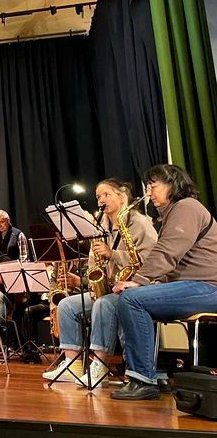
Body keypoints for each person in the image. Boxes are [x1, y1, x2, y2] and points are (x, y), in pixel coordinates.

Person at [111, 164, 217, 400]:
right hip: (195, 285)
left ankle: (142, 379)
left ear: (173, 184)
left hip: (209, 287)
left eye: (153, 186)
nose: (148, 192)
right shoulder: (173, 212)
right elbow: (174, 261)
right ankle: (156, 375)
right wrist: (153, 282)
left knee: (132, 299)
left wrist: (140, 281)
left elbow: (168, 252)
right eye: (147, 187)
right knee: (120, 300)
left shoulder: (186, 207)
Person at [42, 178, 157, 385]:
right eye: (98, 197)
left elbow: (152, 260)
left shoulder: (140, 223)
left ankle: (100, 366)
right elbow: (94, 266)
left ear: (122, 197)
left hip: (135, 288)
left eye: (106, 195)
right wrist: (85, 279)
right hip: (109, 288)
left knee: (103, 304)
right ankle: (72, 365)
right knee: (67, 305)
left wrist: (113, 254)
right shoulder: (99, 227)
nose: (101, 200)